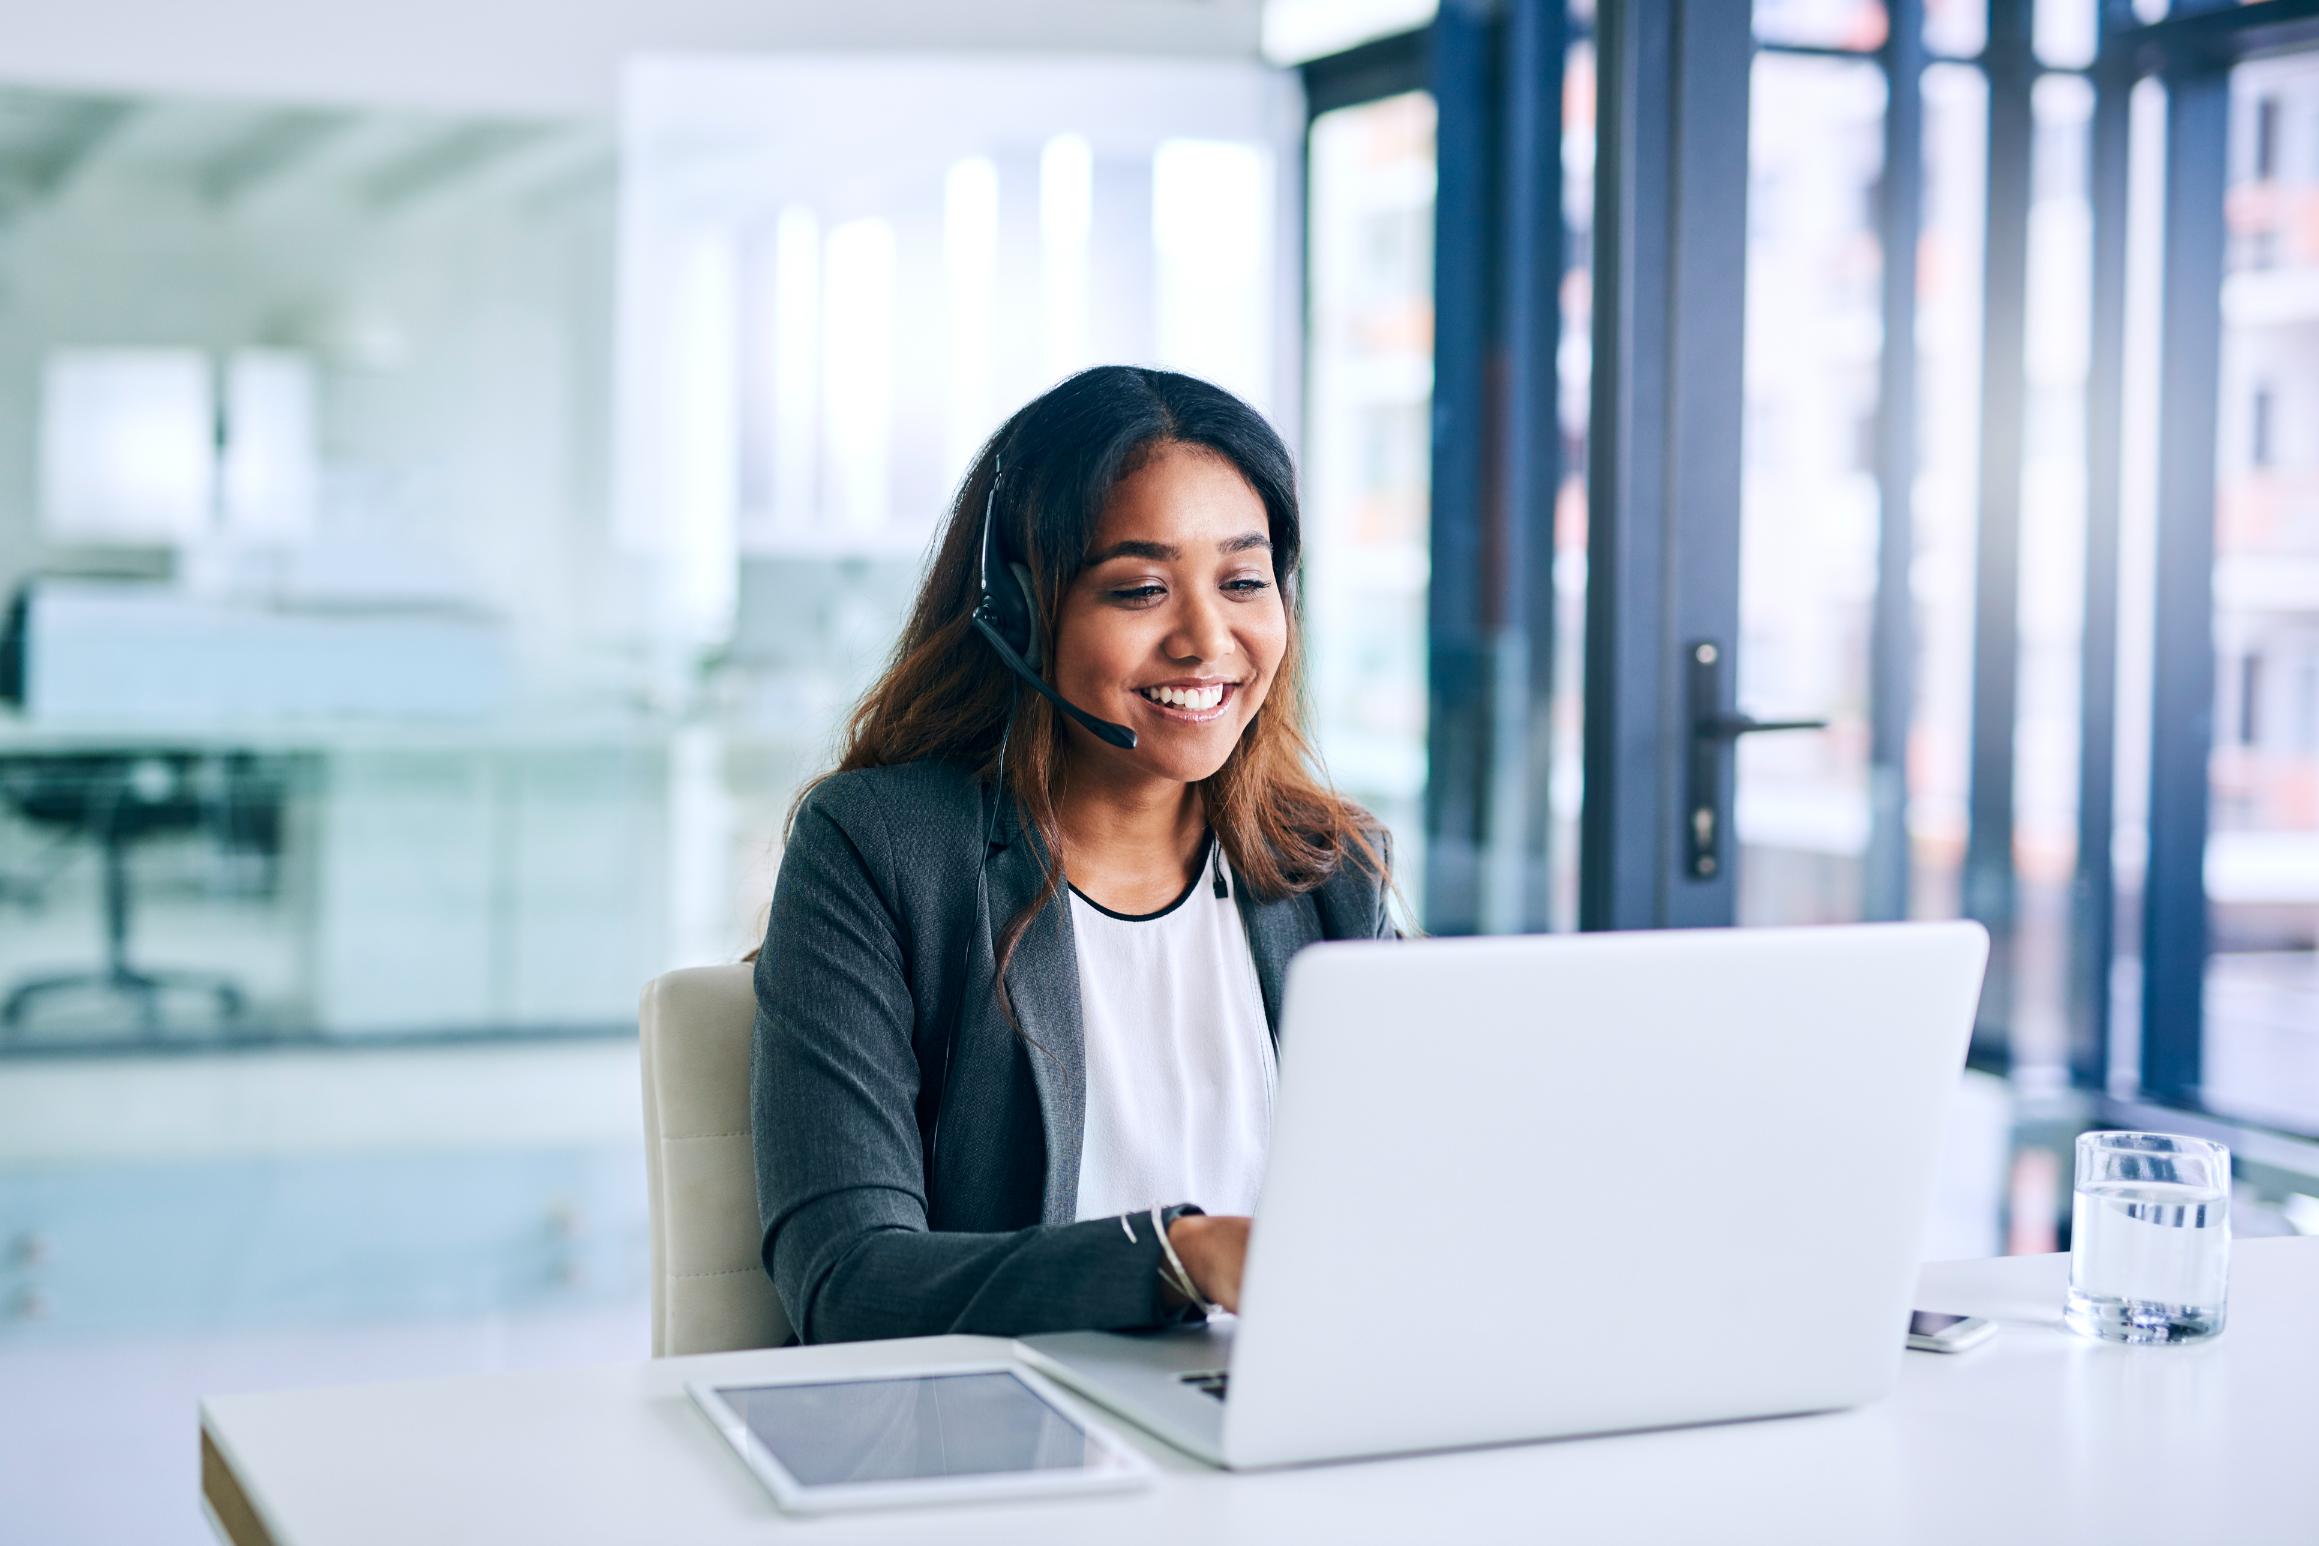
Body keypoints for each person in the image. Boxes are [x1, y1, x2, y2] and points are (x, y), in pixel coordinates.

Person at [750, 364, 1400, 1345]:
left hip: (1280, 1418)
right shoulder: (879, 851)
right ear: (1018, 613)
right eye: (1141, 588)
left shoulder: (1332, 870)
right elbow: (849, 1282)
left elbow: (1412, 1212)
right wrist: (1181, 1257)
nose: (1206, 638)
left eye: (1242, 581)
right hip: (1002, 1444)